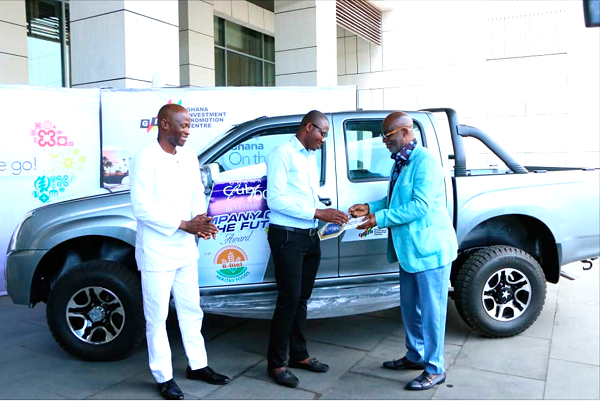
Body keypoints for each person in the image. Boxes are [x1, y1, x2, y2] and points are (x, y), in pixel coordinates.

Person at [349, 111, 458, 391]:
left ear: (405, 132)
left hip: (429, 250)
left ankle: (435, 369)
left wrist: (380, 219)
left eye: (387, 136)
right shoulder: (402, 161)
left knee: (433, 313)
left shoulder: (426, 162)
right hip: (409, 250)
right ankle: (416, 355)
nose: (384, 142)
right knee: (411, 309)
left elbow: (420, 206)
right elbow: (395, 198)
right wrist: (371, 207)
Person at [130, 104, 230, 400]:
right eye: (182, 124)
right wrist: (184, 224)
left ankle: (198, 365)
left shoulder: (188, 156)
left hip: (186, 249)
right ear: (164, 124)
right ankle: (164, 376)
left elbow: (197, 193)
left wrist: (200, 221)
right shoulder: (145, 158)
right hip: (157, 251)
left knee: (191, 310)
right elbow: (141, 207)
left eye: (189, 125)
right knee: (157, 317)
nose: (188, 130)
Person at [265, 110, 349, 388]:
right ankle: (277, 364)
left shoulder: (310, 157)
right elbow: (275, 200)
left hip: (310, 236)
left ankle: (299, 355)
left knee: (302, 299)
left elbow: (305, 195)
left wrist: (326, 213)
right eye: (322, 133)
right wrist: (318, 212)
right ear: (308, 127)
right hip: (287, 236)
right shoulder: (283, 153)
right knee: (288, 300)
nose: (324, 139)